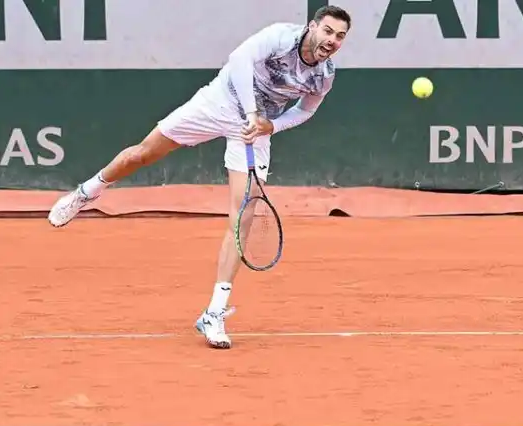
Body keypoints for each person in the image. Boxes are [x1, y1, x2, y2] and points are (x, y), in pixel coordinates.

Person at [46, 6, 353, 349]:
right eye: (327, 31)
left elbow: (306, 110)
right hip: (219, 102)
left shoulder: (324, 74)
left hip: (252, 132)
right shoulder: (281, 36)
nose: (332, 40)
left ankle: (215, 312)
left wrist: (271, 125)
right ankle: (88, 191)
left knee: (244, 214)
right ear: (313, 26)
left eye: (340, 36)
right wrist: (252, 111)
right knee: (145, 153)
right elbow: (239, 59)